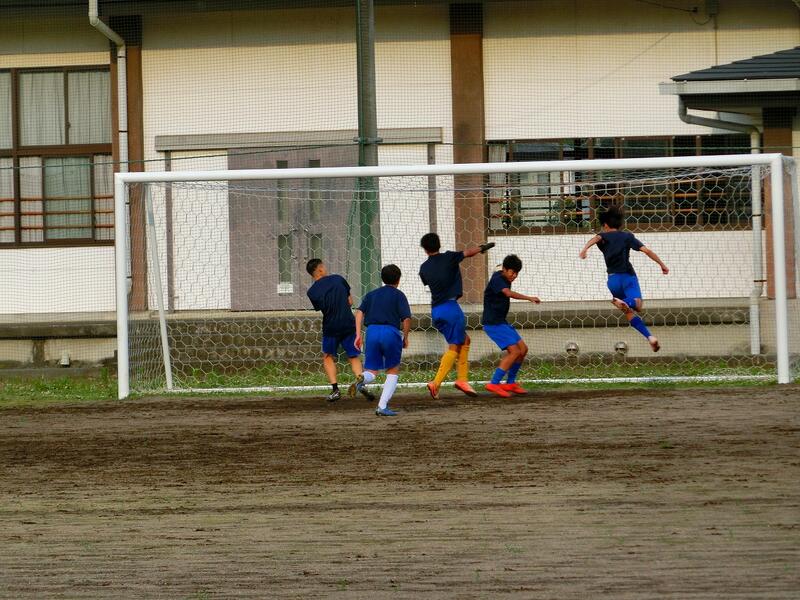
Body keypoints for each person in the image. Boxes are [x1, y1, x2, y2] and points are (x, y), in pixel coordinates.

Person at [579, 206, 669, 352]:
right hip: (627, 277)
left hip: (612, 281)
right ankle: (628, 302)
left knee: (629, 312)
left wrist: (585, 249)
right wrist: (662, 265)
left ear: (605, 225)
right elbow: (646, 251)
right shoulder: (627, 236)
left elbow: (597, 238)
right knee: (637, 304)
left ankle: (650, 337)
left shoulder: (603, 237)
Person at [418, 232, 494, 400]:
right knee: (455, 346)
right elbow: (468, 252)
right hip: (451, 308)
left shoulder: (423, 268)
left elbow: (428, 280)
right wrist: (482, 248)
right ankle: (438, 382)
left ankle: (461, 380)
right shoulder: (449, 257)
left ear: (425, 249)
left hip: (436, 310)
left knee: (464, 340)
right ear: (439, 244)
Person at [306, 258, 374, 402]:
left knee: (327, 356)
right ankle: (361, 384)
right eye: (324, 266)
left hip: (331, 326)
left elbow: (322, 308)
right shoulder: (338, 279)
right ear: (320, 269)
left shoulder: (311, 292)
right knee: (353, 356)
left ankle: (335, 390)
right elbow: (350, 301)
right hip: (348, 323)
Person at [354, 264, 412, 417]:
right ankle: (382, 406)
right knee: (392, 370)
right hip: (390, 332)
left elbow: (359, 312)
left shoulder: (371, 294)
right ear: (398, 280)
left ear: (382, 278)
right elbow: (406, 319)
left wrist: (358, 335)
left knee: (371, 371)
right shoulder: (399, 295)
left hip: (372, 331)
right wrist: (406, 337)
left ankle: (362, 378)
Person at [482, 254, 540, 397]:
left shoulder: (502, 276)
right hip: (493, 323)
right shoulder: (497, 280)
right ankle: (494, 383)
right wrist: (529, 298)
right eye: (512, 272)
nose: (514, 276)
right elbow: (507, 293)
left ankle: (510, 383)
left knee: (523, 349)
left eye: (516, 273)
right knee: (514, 352)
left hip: (501, 322)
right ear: (504, 269)